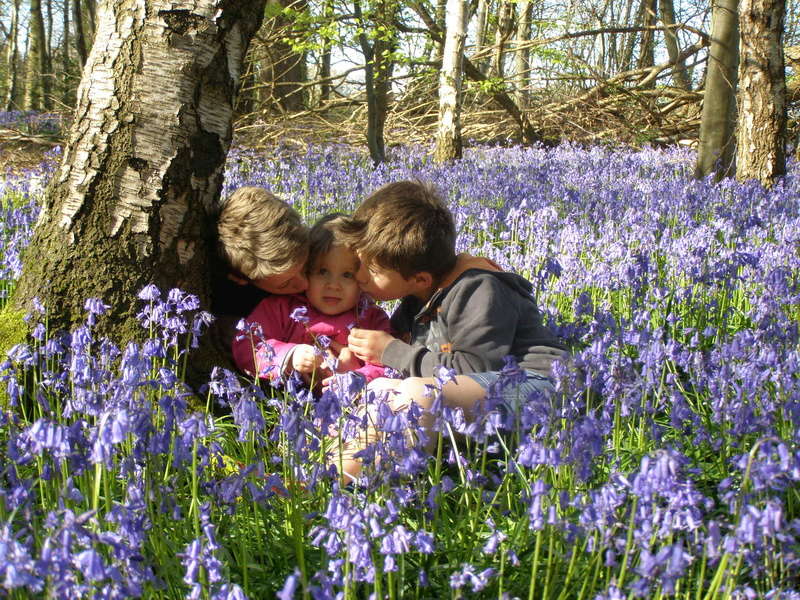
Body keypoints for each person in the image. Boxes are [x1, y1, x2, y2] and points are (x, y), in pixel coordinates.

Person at [335, 180, 568, 480]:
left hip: (536, 388)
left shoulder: (480, 289)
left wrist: (391, 351)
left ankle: (358, 487)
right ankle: (324, 475)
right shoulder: (414, 300)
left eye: (373, 269)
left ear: (419, 279)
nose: (359, 275)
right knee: (377, 392)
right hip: (482, 398)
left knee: (418, 396)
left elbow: (473, 368)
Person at [232, 214, 392, 387]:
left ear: (362, 279)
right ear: (306, 270)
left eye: (347, 275)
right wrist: (290, 356)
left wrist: (355, 376)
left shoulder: (371, 318)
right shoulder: (283, 307)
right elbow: (247, 345)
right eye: (323, 272)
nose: (333, 285)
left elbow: (388, 367)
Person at [211, 186, 310, 373]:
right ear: (241, 280)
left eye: (306, 268)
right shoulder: (233, 309)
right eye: (286, 284)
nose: (305, 284)